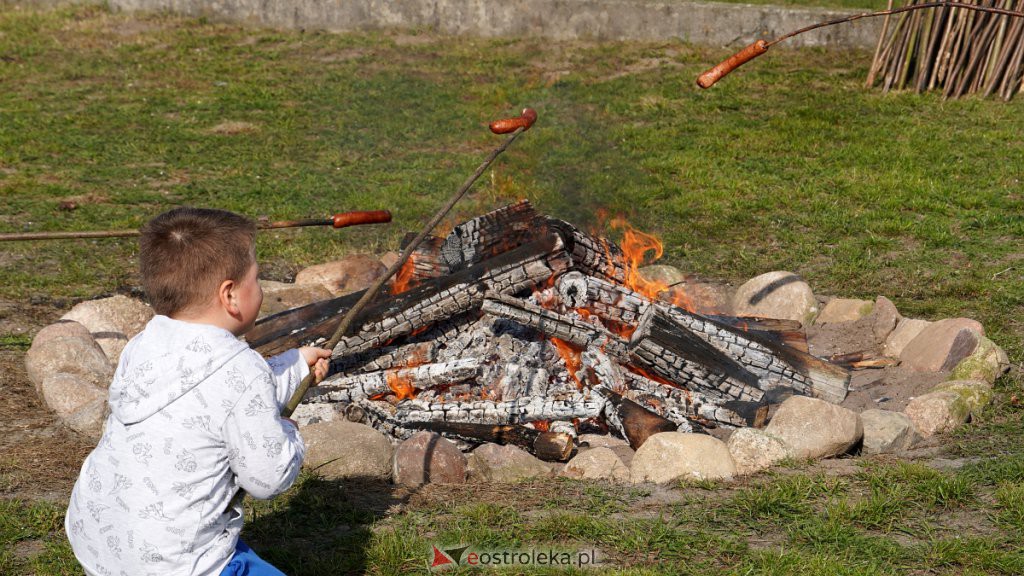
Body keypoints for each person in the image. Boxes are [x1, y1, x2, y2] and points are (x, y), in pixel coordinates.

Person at [65, 207, 332, 575]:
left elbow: (224, 396)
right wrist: (288, 434)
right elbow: (267, 478)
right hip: (178, 564)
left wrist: (296, 365)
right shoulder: (241, 370)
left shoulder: (143, 344)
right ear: (230, 295)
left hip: (101, 538)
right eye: (257, 279)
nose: (262, 287)